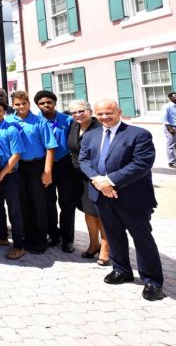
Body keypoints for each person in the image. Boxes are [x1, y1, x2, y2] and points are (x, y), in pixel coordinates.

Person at [79, 99, 165, 301]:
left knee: (142, 239)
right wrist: (99, 182)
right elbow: (83, 160)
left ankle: (152, 281)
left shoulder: (138, 134)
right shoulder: (91, 135)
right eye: (100, 114)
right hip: (101, 195)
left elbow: (141, 163)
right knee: (113, 234)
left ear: (119, 111)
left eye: (109, 113)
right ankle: (122, 270)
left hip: (132, 197)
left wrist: (110, 181)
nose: (104, 117)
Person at [6, 91, 57, 254]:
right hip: (17, 167)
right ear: (13, 105)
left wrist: (47, 171)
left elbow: (50, 147)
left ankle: (40, 240)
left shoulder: (39, 121)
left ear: (29, 104)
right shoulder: (8, 121)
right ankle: (26, 237)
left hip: (36, 166)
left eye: (24, 103)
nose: (21, 107)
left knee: (38, 204)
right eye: (17, 104)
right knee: (23, 203)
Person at [66, 99, 110, 266]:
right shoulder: (74, 126)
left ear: (90, 111)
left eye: (81, 111)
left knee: (101, 211)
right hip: (77, 175)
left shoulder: (100, 127)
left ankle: (106, 246)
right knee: (88, 211)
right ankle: (93, 244)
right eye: (74, 112)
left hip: (96, 174)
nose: (78, 115)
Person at [34, 90, 77, 253]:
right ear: (37, 105)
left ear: (55, 103)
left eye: (48, 102)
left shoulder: (67, 120)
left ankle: (68, 239)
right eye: (42, 103)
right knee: (48, 201)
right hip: (44, 165)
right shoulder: (35, 121)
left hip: (64, 164)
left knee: (67, 202)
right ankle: (53, 234)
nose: (46, 105)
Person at [0, 99, 26, 260]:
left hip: (9, 175)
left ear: (4, 112)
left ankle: (18, 245)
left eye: (0, 111)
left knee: (14, 210)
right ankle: (2, 237)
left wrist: (0, 176)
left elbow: (16, 155)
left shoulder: (11, 129)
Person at [162, 92, 176, 168]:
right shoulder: (167, 106)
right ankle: (171, 162)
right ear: (170, 98)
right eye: (175, 96)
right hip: (170, 127)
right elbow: (164, 118)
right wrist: (170, 129)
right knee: (171, 145)